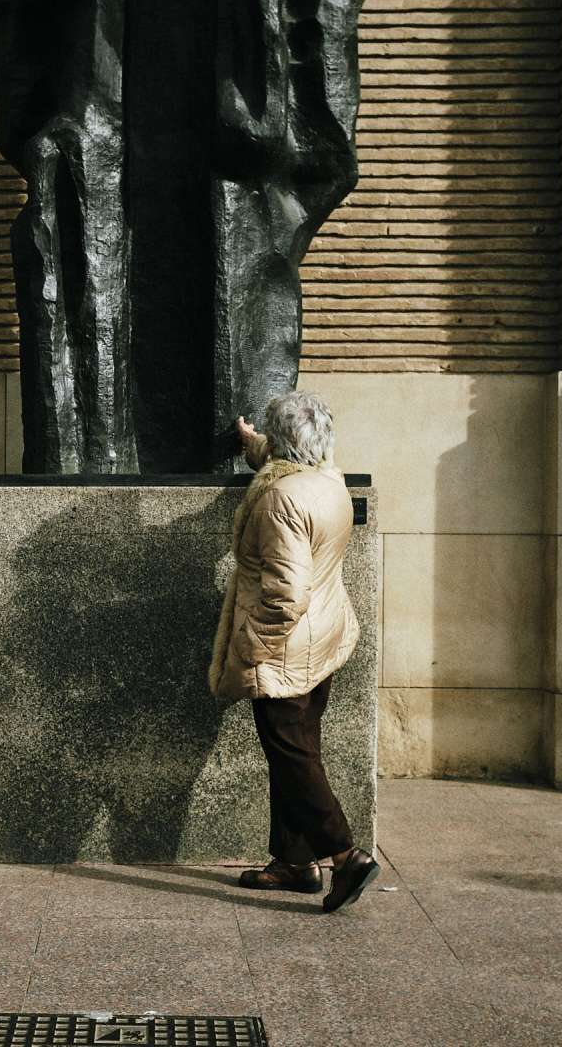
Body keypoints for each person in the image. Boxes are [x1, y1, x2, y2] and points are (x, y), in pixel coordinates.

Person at [209, 390, 378, 913]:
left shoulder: (283, 499)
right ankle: (293, 862)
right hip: (322, 635)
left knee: (293, 755)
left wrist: (249, 645)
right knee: (296, 750)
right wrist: (249, 440)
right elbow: (279, 457)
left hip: (285, 644)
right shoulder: (326, 476)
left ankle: (346, 857)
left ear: (284, 443)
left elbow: (285, 595)